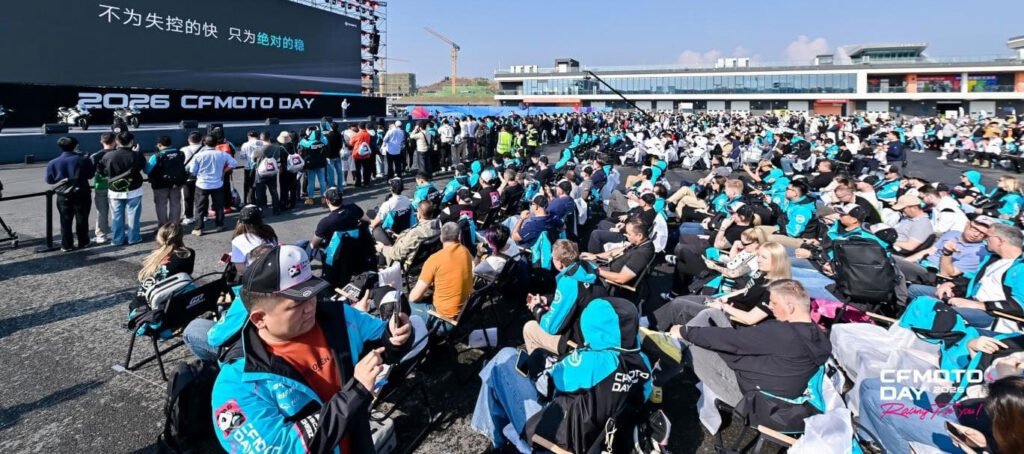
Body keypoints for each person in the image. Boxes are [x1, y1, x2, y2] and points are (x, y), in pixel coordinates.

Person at [210, 244, 413, 453]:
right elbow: (286, 448)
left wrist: (396, 337)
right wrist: (356, 392)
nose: (310, 307)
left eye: (312, 294)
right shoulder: (234, 384)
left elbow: (381, 342)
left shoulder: (338, 317)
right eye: (296, 304)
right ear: (260, 318)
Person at [471, 297, 652, 452]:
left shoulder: (595, 361)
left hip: (557, 440)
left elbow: (546, 384)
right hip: (599, 440)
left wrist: (540, 364)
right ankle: (496, 434)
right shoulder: (644, 362)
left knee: (503, 360)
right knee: (504, 365)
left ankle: (496, 440)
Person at [669, 280, 831, 418]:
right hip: (771, 393)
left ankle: (656, 378)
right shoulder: (817, 334)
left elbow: (732, 341)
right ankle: (668, 345)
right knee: (711, 315)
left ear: (790, 307)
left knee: (687, 344)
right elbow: (742, 341)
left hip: (751, 399)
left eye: (774, 303)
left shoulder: (783, 334)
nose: (770, 307)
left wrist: (684, 331)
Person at [654, 242, 792, 329]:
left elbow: (751, 319)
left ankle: (651, 327)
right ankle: (655, 323)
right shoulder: (762, 274)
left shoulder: (775, 291)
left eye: (763, 257)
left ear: (776, 262)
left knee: (678, 305)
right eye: (759, 256)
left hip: (731, 318)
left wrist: (722, 307)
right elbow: (746, 289)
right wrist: (724, 298)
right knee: (686, 299)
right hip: (727, 304)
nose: (758, 260)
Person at [521, 239, 602, 354]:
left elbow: (551, 327)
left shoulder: (568, 282)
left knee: (529, 328)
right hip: (598, 329)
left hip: (580, 341)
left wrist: (536, 307)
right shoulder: (589, 267)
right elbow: (577, 298)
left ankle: (541, 367)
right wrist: (548, 299)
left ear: (560, 263)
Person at [408, 222, 473, 325]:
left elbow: (414, 297)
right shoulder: (465, 251)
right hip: (466, 311)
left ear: (441, 238)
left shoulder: (434, 260)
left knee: (407, 305)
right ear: (459, 236)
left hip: (445, 320)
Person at [132, 222, 195, 320]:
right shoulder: (187, 253)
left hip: (137, 307)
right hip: (155, 305)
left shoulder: (154, 257)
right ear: (181, 236)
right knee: (188, 283)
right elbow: (187, 274)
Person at [45, 136, 95, 251]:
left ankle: (66, 244)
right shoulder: (83, 160)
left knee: (65, 219)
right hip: (82, 192)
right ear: (76, 146)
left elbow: (49, 180)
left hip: (63, 194)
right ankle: (83, 241)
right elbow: (90, 175)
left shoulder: (53, 162)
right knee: (82, 218)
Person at [98, 132, 146, 246]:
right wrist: (137, 152)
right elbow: (143, 167)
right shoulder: (137, 155)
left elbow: (101, 171)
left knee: (116, 216)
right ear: (132, 142)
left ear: (117, 142)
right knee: (133, 214)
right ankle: (133, 237)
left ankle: (117, 239)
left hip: (115, 189)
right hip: (134, 188)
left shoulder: (108, 156)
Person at [186, 134, 238, 236]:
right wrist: (224, 171)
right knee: (219, 206)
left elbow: (192, 170)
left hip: (202, 184)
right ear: (216, 143)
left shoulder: (198, 155)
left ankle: (199, 228)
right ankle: (219, 225)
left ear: (204, 143)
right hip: (217, 183)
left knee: (200, 207)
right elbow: (234, 163)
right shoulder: (222, 154)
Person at [581, 218, 655, 289]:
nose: (626, 236)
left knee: (579, 271)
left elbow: (621, 278)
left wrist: (596, 271)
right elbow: (619, 250)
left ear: (639, 236)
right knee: (582, 261)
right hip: (607, 268)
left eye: (629, 234)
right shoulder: (641, 242)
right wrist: (595, 256)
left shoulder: (641, 254)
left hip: (609, 280)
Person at [376, 200, 441, 267]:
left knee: (377, 230)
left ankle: (382, 266)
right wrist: (400, 236)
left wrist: (382, 248)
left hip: (405, 263)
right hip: (425, 260)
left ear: (419, 214)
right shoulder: (438, 227)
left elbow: (396, 254)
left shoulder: (415, 234)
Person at [309, 187, 370, 252]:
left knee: (304, 244)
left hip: (336, 256)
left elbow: (313, 245)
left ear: (327, 201)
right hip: (356, 248)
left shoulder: (325, 222)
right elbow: (367, 220)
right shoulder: (353, 208)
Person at [144, 135, 186, 227]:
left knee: (161, 205)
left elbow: (147, 170)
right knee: (176, 203)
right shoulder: (180, 153)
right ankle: (174, 225)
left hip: (160, 184)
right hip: (176, 183)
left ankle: (164, 226)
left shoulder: (156, 156)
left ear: (159, 145)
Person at [230, 205, 278, 275]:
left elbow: (241, 270)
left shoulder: (237, 241)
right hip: (274, 270)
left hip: (256, 277)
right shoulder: (269, 232)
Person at [90, 132, 116, 244]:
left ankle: (101, 235)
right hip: (117, 186)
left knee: (101, 211)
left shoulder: (95, 156)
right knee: (118, 211)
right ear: (115, 141)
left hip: (100, 186)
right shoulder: (118, 154)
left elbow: (90, 173)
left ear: (101, 141)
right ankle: (118, 233)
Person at [369, 178, 412, 244]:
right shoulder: (407, 200)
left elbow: (374, 223)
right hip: (405, 228)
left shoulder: (387, 204)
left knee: (370, 214)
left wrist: (369, 223)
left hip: (391, 233)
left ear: (391, 189)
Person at [250, 132, 282, 215]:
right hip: (272, 172)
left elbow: (253, 159)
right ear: (269, 137)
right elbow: (278, 157)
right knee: (274, 191)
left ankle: (260, 211)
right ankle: (276, 210)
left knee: (259, 194)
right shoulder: (276, 148)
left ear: (261, 138)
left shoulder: (258, 149)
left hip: (261, 173)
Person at [298, 127, 328, 205]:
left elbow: (301, 142)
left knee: (311, 182)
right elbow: (325, 138)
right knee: (322, 181)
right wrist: (318, 132)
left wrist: (307, 135)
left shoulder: (308, 143)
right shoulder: (323, 142)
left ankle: (310, 198)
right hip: (320, 164)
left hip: (311, 165)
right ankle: (324, 197)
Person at [237, 131, 262, 205]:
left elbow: (242, 156)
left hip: (248, 167)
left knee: (248, 184)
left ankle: (246, 200)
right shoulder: (261, 143)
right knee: (258, 183)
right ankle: (258, 199)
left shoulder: (245, 144)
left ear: (249, 136)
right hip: (259, 166)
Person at [351, 123, 374, 187]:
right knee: (366, 168)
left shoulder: (357, 134)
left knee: (357, 169)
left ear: (359, 127)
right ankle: (366, 182)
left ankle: (358, 183)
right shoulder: (368, 134)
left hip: (357, 154)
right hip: (366, 154)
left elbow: (351, 142)